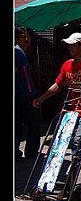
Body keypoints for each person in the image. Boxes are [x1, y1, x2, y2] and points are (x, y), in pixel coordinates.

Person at [33, 33, 81, 179]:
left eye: (73, 45)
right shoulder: (67, 65)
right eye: (69, 45)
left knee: (79, 140)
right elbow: (58, 84)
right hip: (71, 109)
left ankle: (72, 174)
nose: (69, 47)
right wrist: (42, 98)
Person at [15, 27, 41, 161]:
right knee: (33, 122)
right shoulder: (17, 52)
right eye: (22, 37)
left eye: (27, 37)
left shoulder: (21, 52)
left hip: (25, 93)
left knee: (19, 123)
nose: (26, 40)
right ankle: (31, 152)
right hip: (24, 94)